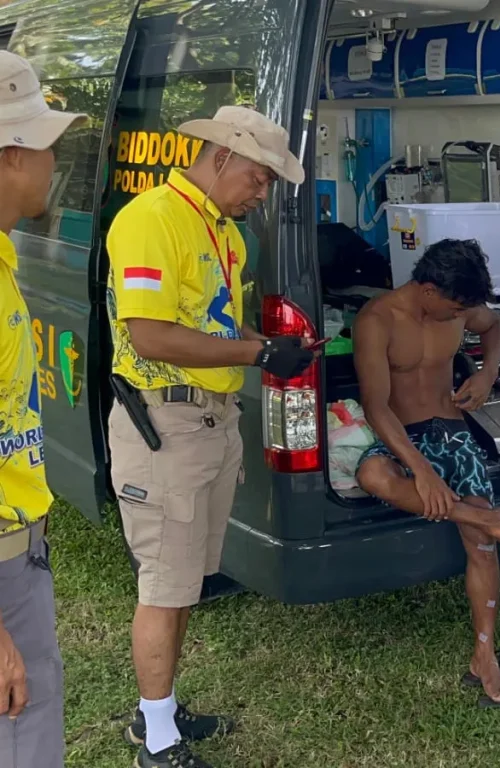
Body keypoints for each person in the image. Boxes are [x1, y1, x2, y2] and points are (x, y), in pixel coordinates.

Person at [106, 106, 314, 768]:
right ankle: (156, 742)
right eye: (258, 177)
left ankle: (158, 712)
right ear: (220, 156)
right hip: (164, 423)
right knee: (164, 583)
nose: (262, 193)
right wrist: (257, 359)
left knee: (186, 578)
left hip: (209, 421)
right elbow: (150, 332)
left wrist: (264, 343)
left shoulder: (222, 230)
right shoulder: (151, 219)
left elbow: (209, 324)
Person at [354, 238, 500, 707]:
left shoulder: (460, 306)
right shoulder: (377, 320)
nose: (459, 319)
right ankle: (494, 520)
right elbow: (376, 407)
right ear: (427, 289)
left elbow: (495, 326)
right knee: (373, 476)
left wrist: (487, 374)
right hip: (402, 434)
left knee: (482, 548)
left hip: (451, 429)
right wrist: (421, 471)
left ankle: (483, 656)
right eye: (452, 310)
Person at [0, 50, 85, 768]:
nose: (55, 162)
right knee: (22, 733)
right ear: (10, 156)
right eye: (47, 146)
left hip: (17, 541)